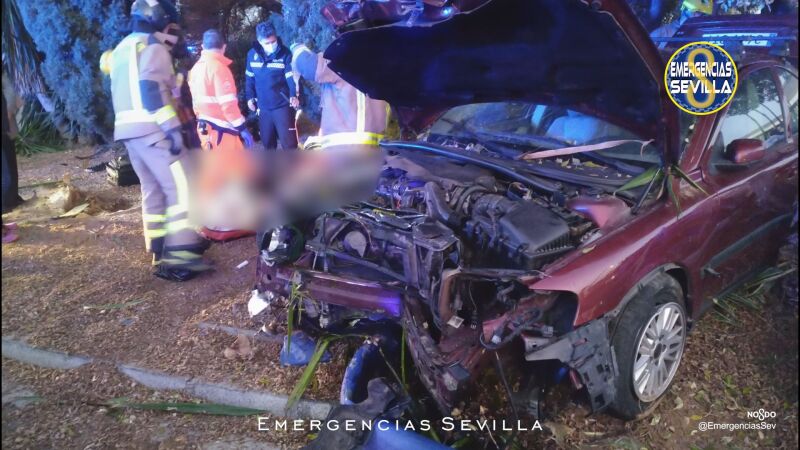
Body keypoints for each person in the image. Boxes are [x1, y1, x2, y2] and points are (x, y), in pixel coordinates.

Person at [108, 0, 209, 281]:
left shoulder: (123, 49)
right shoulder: (153, 47)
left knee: (152, 189)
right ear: (158, 19)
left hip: (129, 132)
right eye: (169, 24)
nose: (171, 31)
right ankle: (180, 257)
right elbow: (151, 91)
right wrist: (172, 130)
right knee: (181, 188)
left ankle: (158, 246)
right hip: (153, 131)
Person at [188, 29, 256, 242]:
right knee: (234, 174)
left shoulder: (196, 69)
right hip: (224, 133)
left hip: (207, 131)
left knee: (212, 174)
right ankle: (231, 224)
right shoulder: (219, 69)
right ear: (223, 46)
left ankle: (210, 221)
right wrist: (242, 129)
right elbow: (228, 106)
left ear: (203, 46)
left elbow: (196, 104)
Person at [245, 22, 299, 150]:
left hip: (282, 106)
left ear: (276, 37)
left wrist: (293, 95)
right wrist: (250, 97)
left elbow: (291, 77)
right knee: (268, 143)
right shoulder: (252, 55)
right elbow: (249, 78)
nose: (271, 45)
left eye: (273, 41)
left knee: (290, 144)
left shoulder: (285, 53)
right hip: (263, 108)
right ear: (259, 41)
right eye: (267, 43)